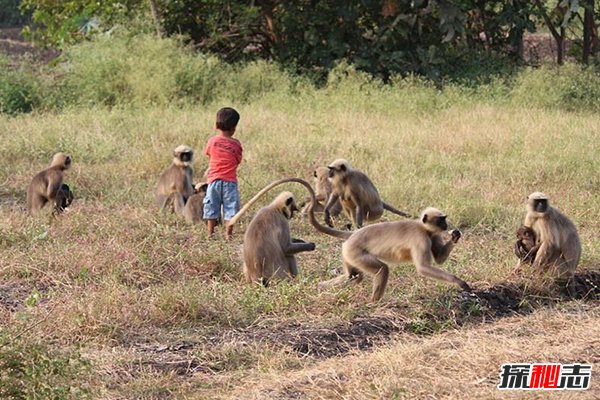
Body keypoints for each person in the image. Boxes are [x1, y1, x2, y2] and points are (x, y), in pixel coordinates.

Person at [203, 107, 243, 239]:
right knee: (230, 209)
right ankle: (228, 235)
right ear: (234, 128)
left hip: (213, 181)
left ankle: (210, 233)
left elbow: (209, 153)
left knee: (211, 206)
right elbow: (238, 160)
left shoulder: (212, 141)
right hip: (230, 182)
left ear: (216, 125)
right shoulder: (236, 144)